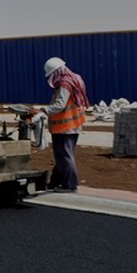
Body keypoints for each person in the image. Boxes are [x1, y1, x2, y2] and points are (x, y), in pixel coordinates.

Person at [41, 57, 89, 192]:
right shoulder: (75, 78)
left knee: (65, 155)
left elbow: (60, 105)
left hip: (65, 127)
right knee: (62, 155)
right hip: (74, 124)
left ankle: (70, 185)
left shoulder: (64, 84)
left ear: (56, 72)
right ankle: (55, 182)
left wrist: (44, 111)